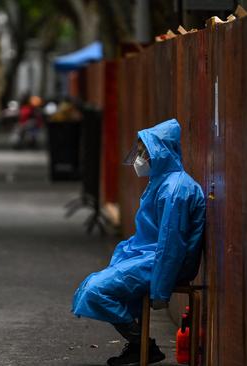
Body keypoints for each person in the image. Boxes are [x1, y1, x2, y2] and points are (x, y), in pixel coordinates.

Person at [72, 119, 206, 366]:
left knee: (96, 290)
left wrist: (160, 290)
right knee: (94, 284)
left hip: (163, 261)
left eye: (145, 151)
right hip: (151, 256)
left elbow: (171, 244)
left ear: (160, 151)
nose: (140, 157)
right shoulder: (162, 182)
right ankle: (139, 345)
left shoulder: (174, 189)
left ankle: (141, 344)